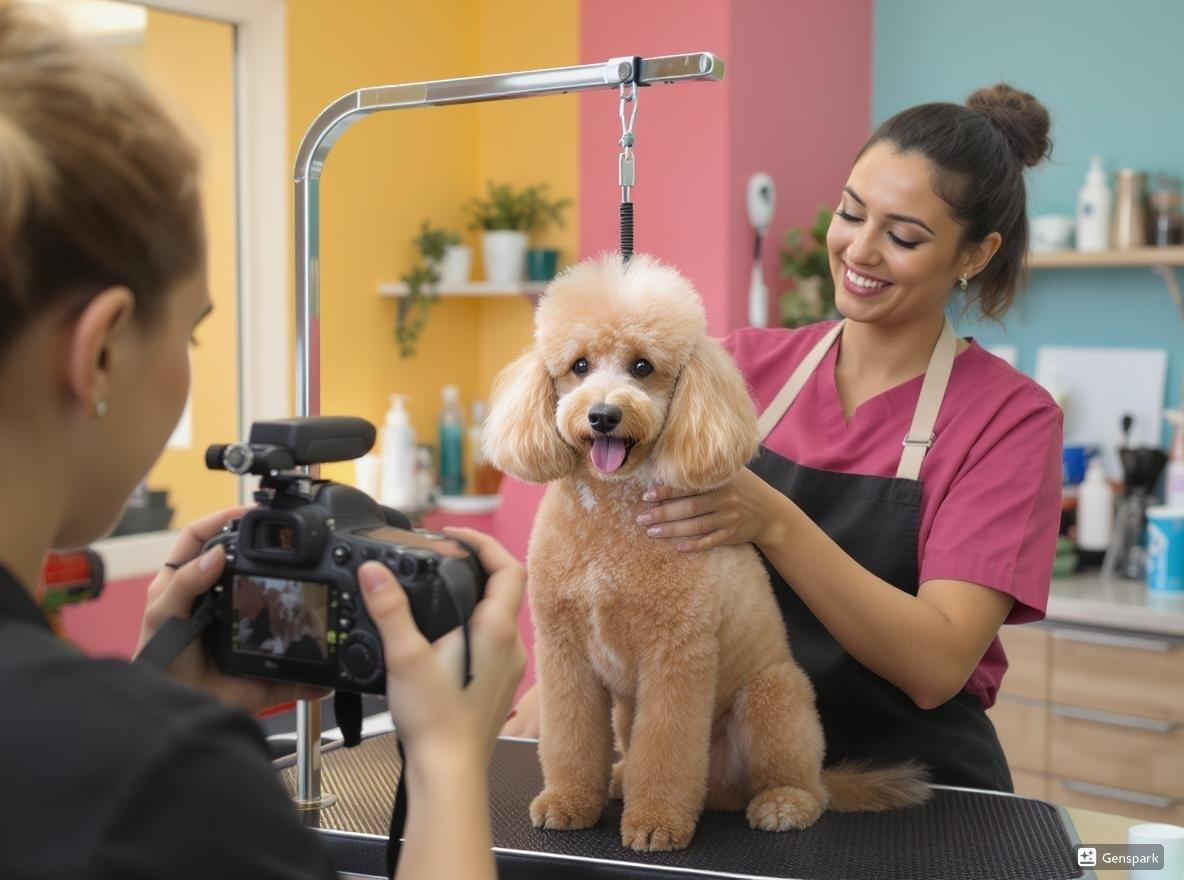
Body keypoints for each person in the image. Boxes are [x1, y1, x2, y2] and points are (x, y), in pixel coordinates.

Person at [0, 6, 525, 879]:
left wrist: (149, 694)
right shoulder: (157, 782)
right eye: (191, 334)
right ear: (100, 351)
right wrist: (448, 768)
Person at [506, 84, 1063, 793]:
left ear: (974, 255)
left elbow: (937, 665)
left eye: (903, 235)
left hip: (916, 788)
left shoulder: (1008, 419)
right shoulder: (739, 365)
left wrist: (773, 519)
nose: (859, 250)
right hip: (716, 778)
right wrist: (555, 693)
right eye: (850, 213)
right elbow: (606, 542)